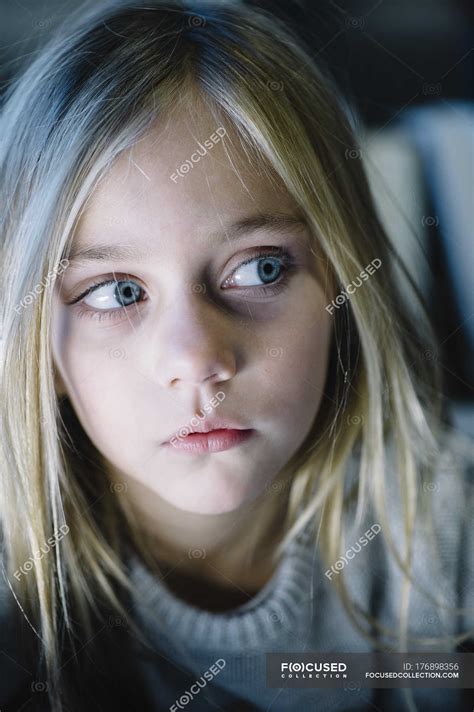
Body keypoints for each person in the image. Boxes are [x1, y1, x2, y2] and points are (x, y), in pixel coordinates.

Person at [0, 1, 472, 710]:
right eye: (117, 291)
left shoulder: (449, 518)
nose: (197, 360)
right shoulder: (19, 573)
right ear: (35, 341)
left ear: (343, 290)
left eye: (260, 269)